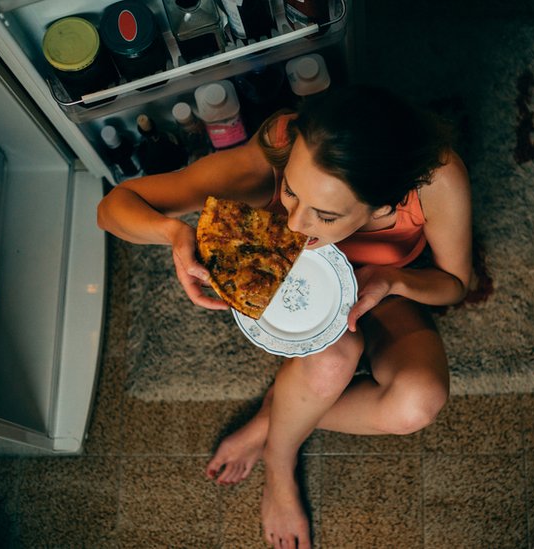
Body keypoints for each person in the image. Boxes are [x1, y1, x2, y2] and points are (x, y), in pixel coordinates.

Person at [97, 84, 472, 549]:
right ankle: (280, 460)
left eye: (325, 215)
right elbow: (112, 208)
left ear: (384, 205)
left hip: (384, 292)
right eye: (292, 193)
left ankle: (277, 413)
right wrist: (172, 233)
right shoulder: (279, 146)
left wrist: (394, 281)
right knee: (334, 357)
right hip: (283, 284)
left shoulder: (435, 178)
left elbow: (454, 284)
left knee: (418, 402)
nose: (296, 224)